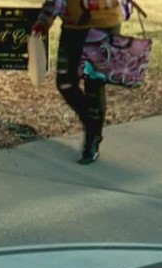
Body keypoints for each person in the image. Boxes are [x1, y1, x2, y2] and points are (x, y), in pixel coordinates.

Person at [32, 0, 124, 164]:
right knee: (65, 82)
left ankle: (92, 139)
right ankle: (92, 125)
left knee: (94, 83)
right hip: (73, 24)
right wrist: (44, 20)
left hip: (103, 22)